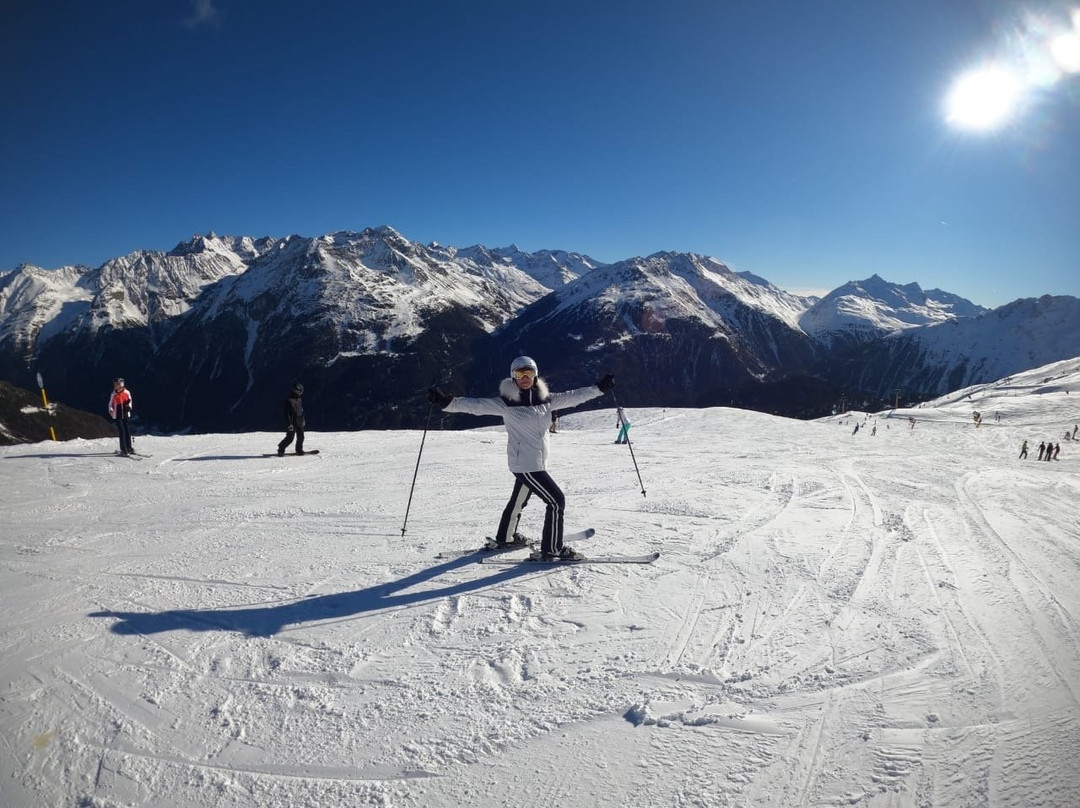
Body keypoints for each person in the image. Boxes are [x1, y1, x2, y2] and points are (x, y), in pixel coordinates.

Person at [428, 355, 614, 561]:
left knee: (519, 499)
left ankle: (506, 537)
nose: (525, 377)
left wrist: (599, 389)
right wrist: (447, 402)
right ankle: (552, 549)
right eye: (520, 373)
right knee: (556, 501)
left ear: (535, 376)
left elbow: (574, 396)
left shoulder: (547, 400)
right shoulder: (505, 403)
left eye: (529, 373)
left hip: (534, 463)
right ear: (513, 378)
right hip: (526, 465)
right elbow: (476, 406)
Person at [277, 382, 306, 455]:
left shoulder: (299, 399)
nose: (301, 393)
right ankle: (281, 448)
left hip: (299, 420)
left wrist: (303, 419)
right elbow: (286, 414)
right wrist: (289, 424)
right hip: (292, 423)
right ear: (296, 391)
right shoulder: (289, 400)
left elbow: (301, 410)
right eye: (300, 391)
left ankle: (299, 449)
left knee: (301, 437)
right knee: (290, 438)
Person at [108, 377, 135, 455]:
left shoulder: (127, 392)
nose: (115, 386)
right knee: (122, 431)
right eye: (115, 384)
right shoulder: (113, 394)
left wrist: (129, 407)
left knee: (127, 431)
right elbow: (110, 404)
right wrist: (111, 409)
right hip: (117, 415)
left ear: (121, 385)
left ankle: (129, 448)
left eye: (117, 384)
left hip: (125, 414)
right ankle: (124, 449)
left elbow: (130, 401)